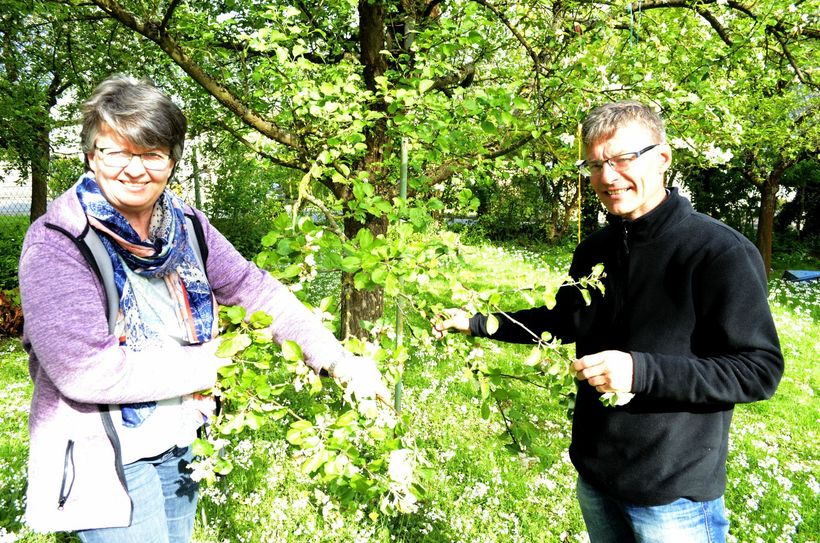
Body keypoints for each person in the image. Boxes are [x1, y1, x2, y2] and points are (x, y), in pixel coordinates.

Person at [19, 74, 389, 543]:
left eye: (151, 154)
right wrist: (215, 363)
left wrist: (336, 359)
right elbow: (85, 372)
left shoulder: (187, 227)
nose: (134, 170)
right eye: (117, 152)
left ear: (171, 162)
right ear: (92, 155)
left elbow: (255, 290)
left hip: (183, 436)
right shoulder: (58, 244)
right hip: (107, 455)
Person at [433, 101, 783, 542]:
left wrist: (640, 371)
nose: (607, 177)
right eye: (595, 164)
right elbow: (562, 321)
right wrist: (479, 323)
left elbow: (759, 370)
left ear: (662, 158)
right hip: (597, 477)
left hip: (672, 494)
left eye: (621, 159)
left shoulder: (718, 253)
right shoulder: (595, 250)